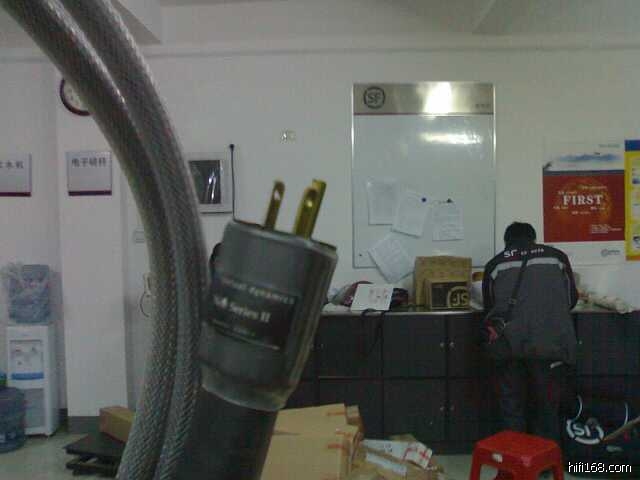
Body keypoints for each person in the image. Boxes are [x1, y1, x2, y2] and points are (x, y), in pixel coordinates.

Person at [482, 222, 578, 448]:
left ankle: (515, 458)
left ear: (507, 242)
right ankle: (544, 460)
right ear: (534, 238)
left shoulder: (495, 264)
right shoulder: (557, 258)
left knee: (512, 407)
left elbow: (489, 309)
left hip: (510, 347)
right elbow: (571, 300)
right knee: (546, 409)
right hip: (551, 346)